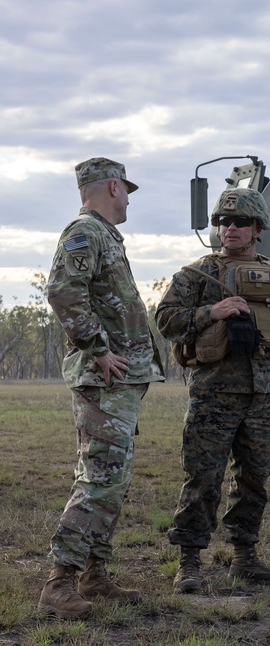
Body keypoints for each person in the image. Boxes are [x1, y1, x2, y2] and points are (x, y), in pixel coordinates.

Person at [155, 188, 270, 593]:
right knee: (203, 477)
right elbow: (166, 320)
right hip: (213, 395)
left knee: (256, 477)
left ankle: (245, 556)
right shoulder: (195, 275)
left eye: (240, 222)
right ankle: (189, 561)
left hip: (264, 395)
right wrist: (214, 311)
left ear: (257, 228)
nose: (230, 228)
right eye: (223, 222)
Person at [39, 158, 164, 619]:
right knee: (99, 479)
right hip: (104, 379)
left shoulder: (105, 236)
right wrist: (96, 349)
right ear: (113, 186)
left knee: (113, 479)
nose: (128, 199)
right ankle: (59, 582)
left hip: (120, 381)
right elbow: (61, 290)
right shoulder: (85, 232)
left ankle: (94, 574)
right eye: (126, 190)